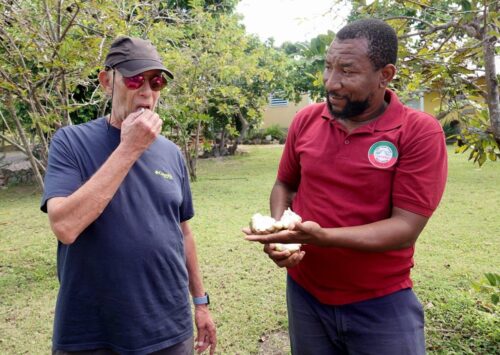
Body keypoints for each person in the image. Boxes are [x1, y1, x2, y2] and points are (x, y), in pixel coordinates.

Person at [244, 19, 447, 354]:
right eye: (328, 67)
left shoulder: (418, 132)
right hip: (305, 294)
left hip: (381, 303)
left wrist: (321, 236)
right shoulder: (306, 121)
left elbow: (405, 227)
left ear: (385, 75)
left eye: (347, 71)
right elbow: (284, 184)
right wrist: (280, 234)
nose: (331, 82)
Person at [41, 36, 216, 355]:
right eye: (135, 79)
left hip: (169, 329)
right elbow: (64, 226)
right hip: (93, 334)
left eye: (156, 81)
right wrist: (130, 148)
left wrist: (201, 303)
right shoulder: (70, 143)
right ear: (108, 82)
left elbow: (183, 232)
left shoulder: (172, 153)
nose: (147, 92)